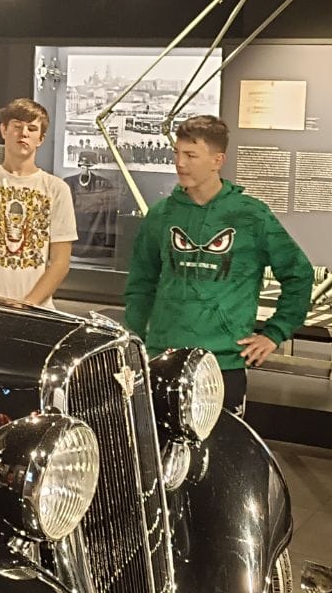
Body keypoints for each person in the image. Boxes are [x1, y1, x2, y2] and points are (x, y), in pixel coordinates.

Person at [124, 114, 314, 415]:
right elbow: (140, 283)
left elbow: (298, 273)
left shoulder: (251, 216)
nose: (180, 163)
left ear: (217, 160)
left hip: (223, 363)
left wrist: (275, 332)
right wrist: (136, 342)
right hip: (162, 357)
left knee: (223, 444)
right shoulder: (161, 215)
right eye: (177, 153)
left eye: (191, 155)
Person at [0, 98, 77, 308]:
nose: (24, 133)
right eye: (17, 126)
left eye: (32, 128)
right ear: (4, 130)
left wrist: (28, 305)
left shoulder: (57, 189)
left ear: (41, 138)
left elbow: (60, 262)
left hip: (36, 311)